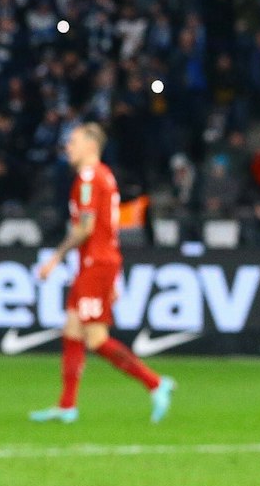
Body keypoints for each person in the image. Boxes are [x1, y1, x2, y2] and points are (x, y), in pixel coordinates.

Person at [30, 123, 175, 423]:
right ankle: (67, 405)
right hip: (99, 262)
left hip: (95, 264)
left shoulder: (88, 177)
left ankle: (155, 383)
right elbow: (109, 231)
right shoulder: (105, 175)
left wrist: (55, 258)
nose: (67, 146)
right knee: (72, 330)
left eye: (73, 141)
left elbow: (85, 227)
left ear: (90, 145)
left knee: (95, 338)